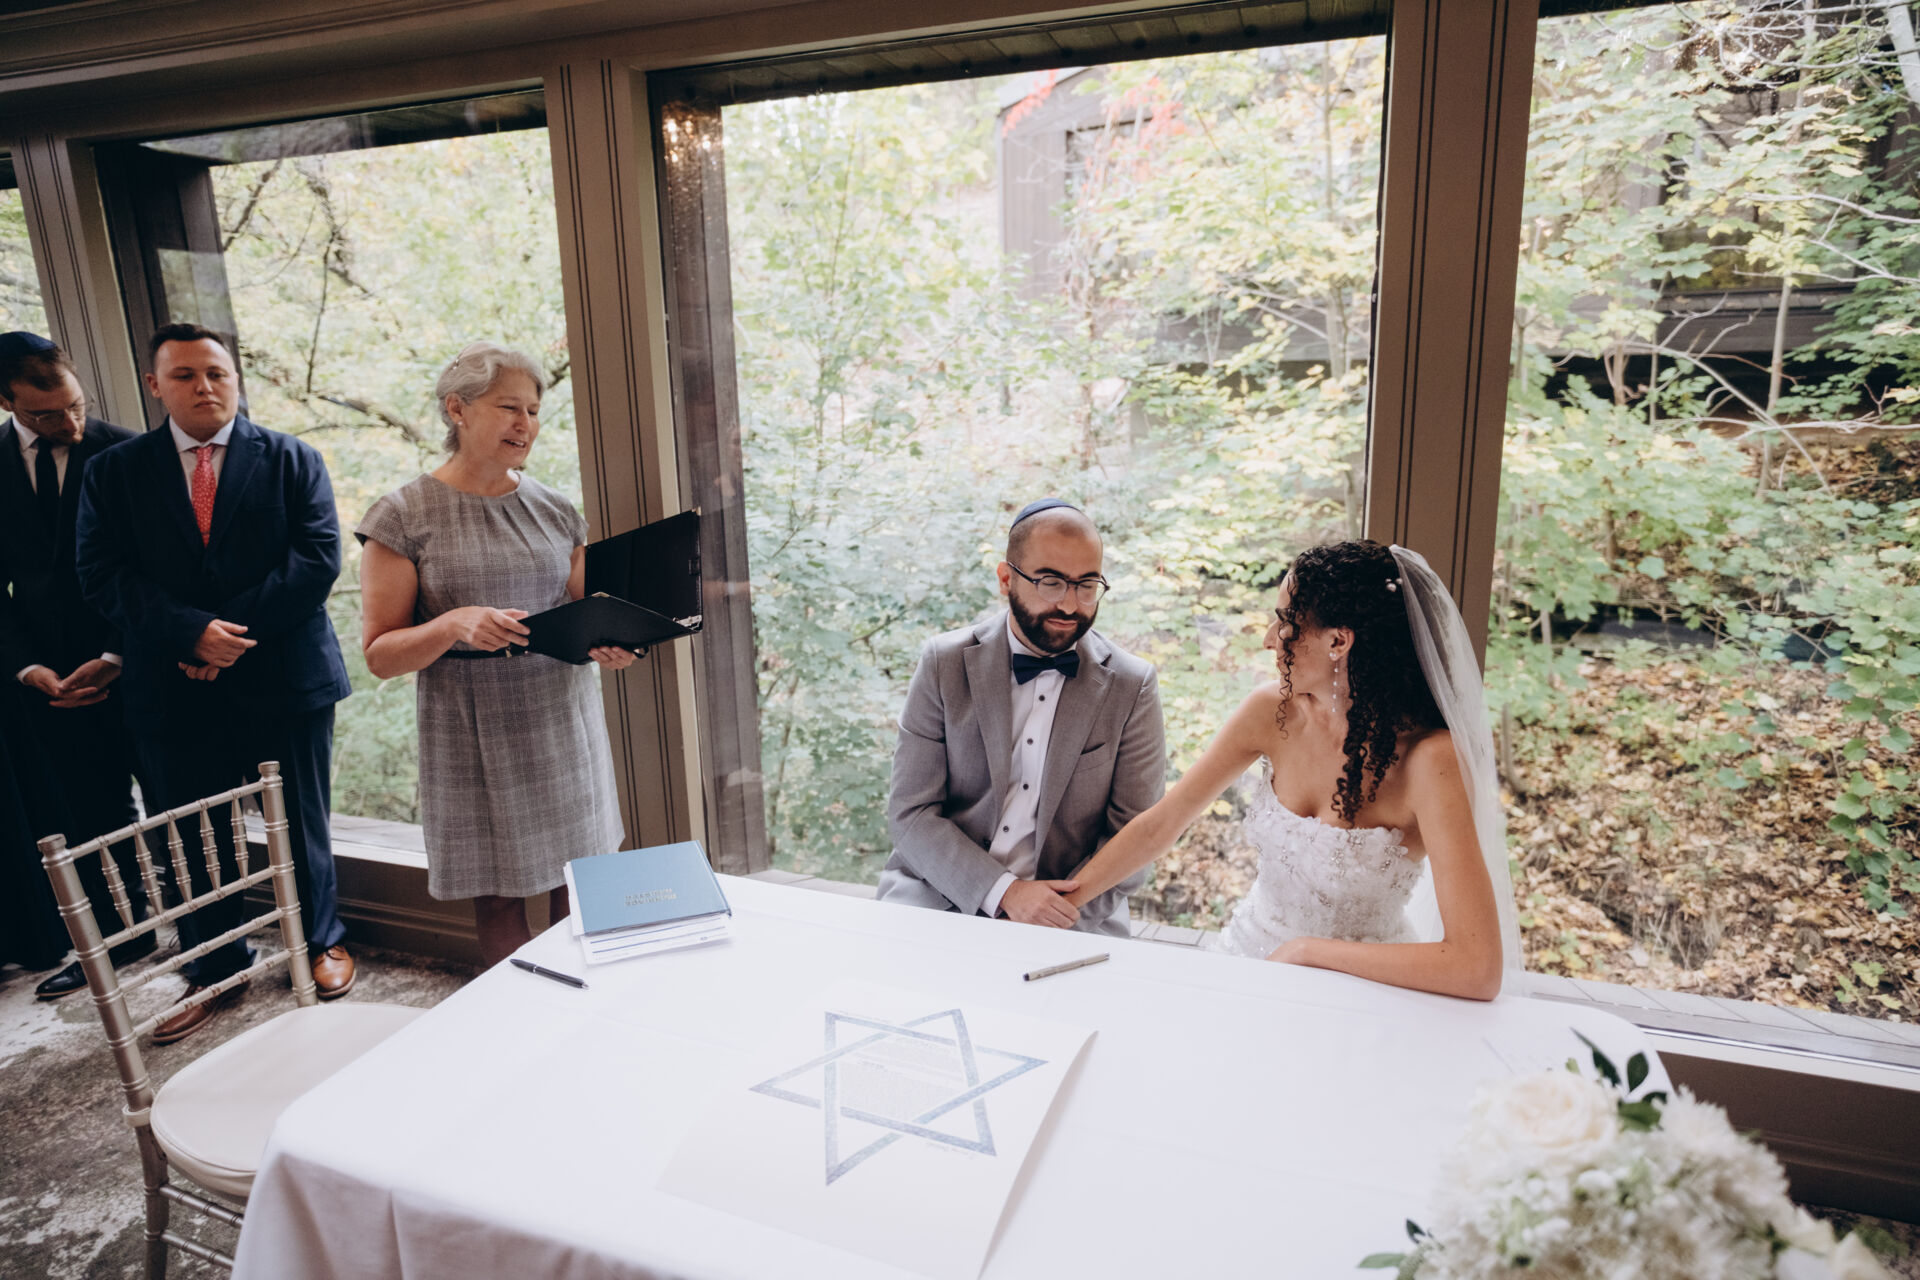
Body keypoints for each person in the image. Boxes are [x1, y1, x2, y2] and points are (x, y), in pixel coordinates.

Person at [1064, 540, 1519, 1000]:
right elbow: (1161, 825)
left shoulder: (1432, 760)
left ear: (1338, 642)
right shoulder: (1271, 711)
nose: (1268, 639)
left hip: (1366, 990)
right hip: (1248, 960)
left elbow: (1477, 968)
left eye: (1284, 622)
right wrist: (1060, 903)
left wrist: (1308, 952)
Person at [76, 322, 355, 1042]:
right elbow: (100, 571)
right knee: (192, 834)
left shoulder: (293, 458)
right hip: (172, 685)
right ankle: (213, 967)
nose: (205, 387)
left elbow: (317, 559)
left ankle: (321, 943)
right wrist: (188, 633)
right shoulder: (113, 472)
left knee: (303, 821)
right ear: (154, 385)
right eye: (185, 375)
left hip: (284, 676)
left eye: (217, 373)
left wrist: (224, 637)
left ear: (234, 379)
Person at [356, 341, 631, 966]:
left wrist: (617, 643)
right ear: (457, 409)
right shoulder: (401, 516)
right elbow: (379, 655)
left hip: (563, 720)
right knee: (500, 897)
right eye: (509, 407)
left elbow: (592, 610)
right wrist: (452, 623)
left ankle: (584, 1010)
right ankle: (519, 1016)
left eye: (533, 411)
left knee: (579, 884)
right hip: (473, 730)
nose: (524, 424)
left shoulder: (554, 508)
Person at [880, 498, 1167, 937]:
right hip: (937, 895)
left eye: (1087, 585)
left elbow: (1135, 837)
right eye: (1051, 582)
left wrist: (1053, 914)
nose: (1070, 605)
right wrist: (1005, 894)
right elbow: (911, 813)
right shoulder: (944, 663)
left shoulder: (1133, 685)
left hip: (1074, 915)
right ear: (1005, 579)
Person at [0, 332, 151, 997]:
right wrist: (25, 667)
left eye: (76, 405)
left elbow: (158, 571)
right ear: (6, 401)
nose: (69, 423)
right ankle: (119, 939)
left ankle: (209, 937)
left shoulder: (129, 453)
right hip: (50, 682)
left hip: (140, 662)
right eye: (47, 414)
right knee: (87, 814)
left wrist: (117, 654)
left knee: (179, 800)